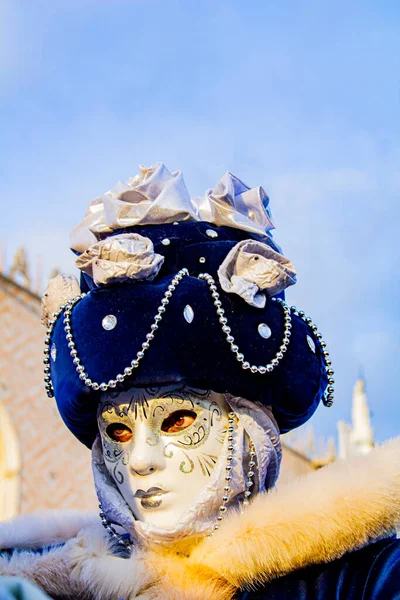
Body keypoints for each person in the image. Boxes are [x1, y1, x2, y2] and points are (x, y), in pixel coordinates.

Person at [0, 163, 399, 600]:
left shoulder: (357, 581)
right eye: (118, 432)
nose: (140, 461)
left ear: (248, 431)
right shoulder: (59, 585)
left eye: (177, 422)